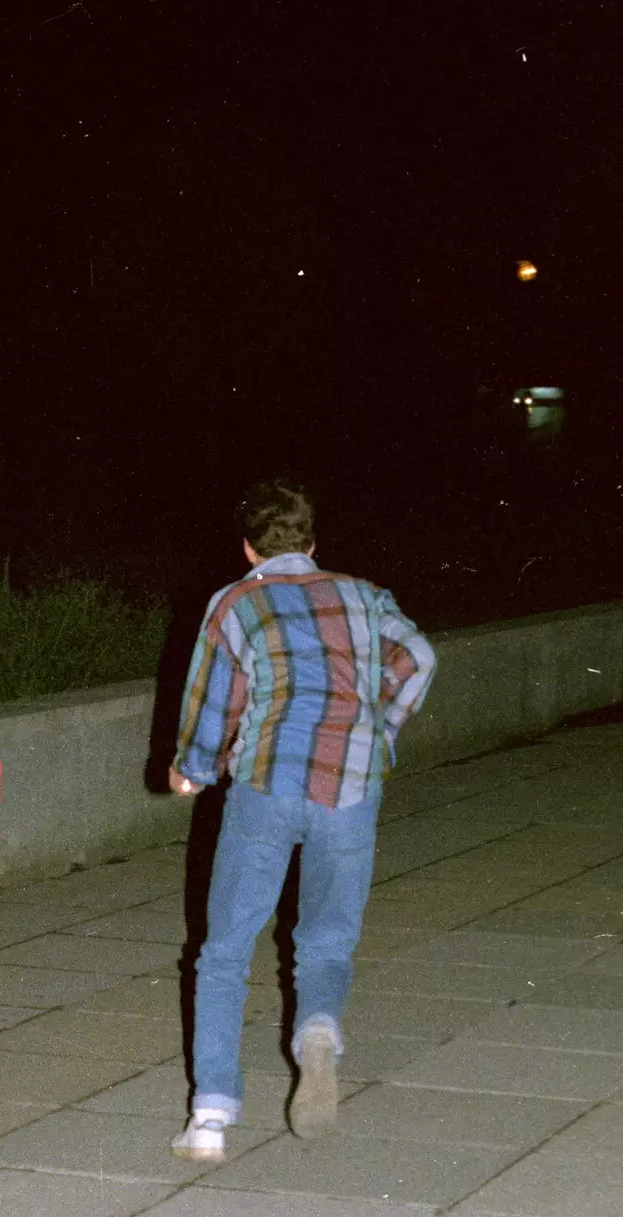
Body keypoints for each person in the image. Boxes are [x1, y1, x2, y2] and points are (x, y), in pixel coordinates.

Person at [168, 480, 436, 1159]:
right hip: (351, 786)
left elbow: (212, 696)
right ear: (313, 544)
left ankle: (211, 1117)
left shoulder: (237, 600)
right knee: (325, 942)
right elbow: (420, 658)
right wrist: (379, 727)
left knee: (224, 949)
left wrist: (192, 766)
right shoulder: (364, 596)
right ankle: (316, 1029)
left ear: (249, 547)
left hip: (266, 781)